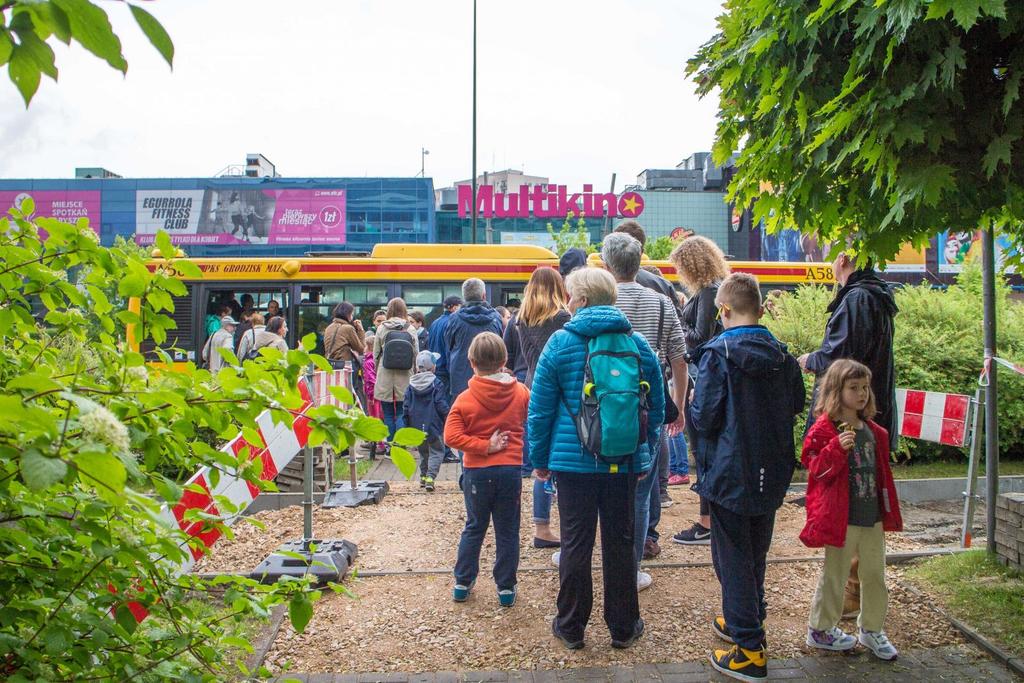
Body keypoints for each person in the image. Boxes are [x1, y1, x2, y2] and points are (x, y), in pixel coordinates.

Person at [529, 266, 665, 650]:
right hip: (623, 461)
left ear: (583, 300)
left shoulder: (559, 343)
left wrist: (539, 460)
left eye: (571, 295)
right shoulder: (637, 344)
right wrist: (644, 454)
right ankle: (624, 627)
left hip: (573, 466)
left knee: (575, 543)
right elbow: (655, 409)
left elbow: (539, 411)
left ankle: (571, 627)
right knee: (621, 544)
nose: (567, 302)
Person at [687, 273, 804, 682]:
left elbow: (703, 416)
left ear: (723, 310)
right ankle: (748, 618)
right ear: (759, 307)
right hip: (770, 470)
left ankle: (749, 648)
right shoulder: (782, 355)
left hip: (729, 469)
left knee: (731, 557)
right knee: (755, 551)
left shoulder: (717, 355)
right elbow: (796, 403)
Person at [797, 249, 898, 617]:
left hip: (850, 421)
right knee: (858, 505)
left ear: (842, 259)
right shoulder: (875, 296)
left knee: (851, 504)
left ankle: (848, 596)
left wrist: (811, 360)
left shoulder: (857, 298)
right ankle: (851, 591)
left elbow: (842, 361)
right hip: (863, 416)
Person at [801, 359, 902, 661]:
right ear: (836, 390)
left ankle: (871, 629)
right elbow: (815, 470)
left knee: (875, 574)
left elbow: (883, 475)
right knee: (835, 574)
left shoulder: (874, 431)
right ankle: (820, 628)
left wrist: (887, 512)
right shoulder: (823, 430)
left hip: (871, 517)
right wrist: (835, 448)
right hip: (840, 518)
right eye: (853, 388)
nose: (861, 394)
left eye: (865, 387)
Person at [601, 232, 687, 587]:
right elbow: (680, 360)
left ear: (606, 265)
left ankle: (607, 561)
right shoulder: (661, 302)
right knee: (640, 492)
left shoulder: (603, 301)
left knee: (605, 489)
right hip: (648, 407)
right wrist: (677, 407)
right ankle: (631, 569)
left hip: (604, 407)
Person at [445, 332, 530, 607]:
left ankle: (462, 582)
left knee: (474, 527)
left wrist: (483, 446)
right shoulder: (521, 393)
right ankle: (506, 587)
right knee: (507, 530)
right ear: (505, 360)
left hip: (476, 473)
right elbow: (534, 421)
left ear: (471, 362)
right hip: (510, 470)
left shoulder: (465, 399)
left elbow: (451, 437)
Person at [503, 266, 572, 548]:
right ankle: (569, 523)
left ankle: (541, 527)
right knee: (565, 458)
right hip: (562, 390)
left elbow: (507, 358)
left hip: (531, 387)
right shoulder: (563, 317)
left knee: (539, 462)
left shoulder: (518, 319)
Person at [669, 235, 730, 546]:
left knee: (702, 450)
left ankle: (706, 522)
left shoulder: (707, 292)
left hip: (701, 378)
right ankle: (713, 519)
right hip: (708, 376)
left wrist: (677, 317)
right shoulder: (717, 288)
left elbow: (699, 337)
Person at [444, 278, 503, 401]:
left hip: (461, 381)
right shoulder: (496, 318)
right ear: (484, 295)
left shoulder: (454, 319)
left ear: (464, 297)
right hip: (491, 379)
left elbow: (448, 346)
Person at [373, 298, 418, 441]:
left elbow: (375, 354)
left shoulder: (381, 328)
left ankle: (390, 446)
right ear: (404, 310)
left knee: (387, 413)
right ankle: (400, 445)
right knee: (401, 411)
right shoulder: (410, 328)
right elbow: (416, 353)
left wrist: (377, 370)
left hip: (385, 373)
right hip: (405, 374)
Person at [404, 350, 450, 492]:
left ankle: (423, 477)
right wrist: (448, 416)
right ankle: (430, 477)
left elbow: (406, 406)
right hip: (433, 425)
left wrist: (407, 424)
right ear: (433, 367)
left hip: (416, 426)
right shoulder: (436, 384)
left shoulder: (411, 385)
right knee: (437, 451)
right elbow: (440, 404)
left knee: (424, 452)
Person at [429, 295, 463, 395]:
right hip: (446, 370)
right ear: (455, 307)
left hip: (435, 368)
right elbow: (450, 349)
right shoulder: (452, 322)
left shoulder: (435, 322)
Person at [324, 302, 366, 367]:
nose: (352, 317)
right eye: (352, 314)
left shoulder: (328, 328)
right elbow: (361, 349)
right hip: (344, 367)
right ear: (348, 314)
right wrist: (361, 330)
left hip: (329, 364)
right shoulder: (348, 328)